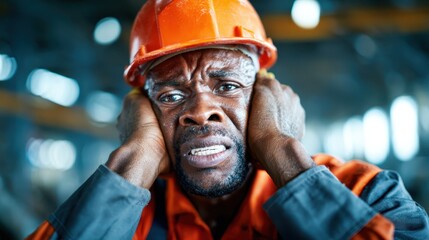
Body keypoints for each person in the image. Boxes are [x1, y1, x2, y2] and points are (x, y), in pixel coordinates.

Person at [28, 0, 429, 239]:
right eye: (170, 95)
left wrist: (280, 147)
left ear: (269, 97)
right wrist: (136, 158)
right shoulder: (125, 214)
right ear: (144, 113)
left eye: (228, 86)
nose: (201, 111)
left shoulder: (364, 192)